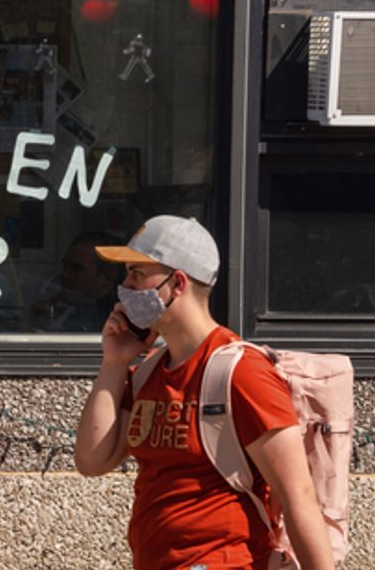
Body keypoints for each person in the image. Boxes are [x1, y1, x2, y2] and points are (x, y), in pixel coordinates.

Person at [72, 215, 334, 569]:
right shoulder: (148, 370)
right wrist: (114, 363)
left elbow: (297, 495)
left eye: (136, 274)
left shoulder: (242, 372)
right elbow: (92, 461)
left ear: (176, 283)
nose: (125, 287)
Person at [29, 232, 120, 332]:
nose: (65, 274)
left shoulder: (111, 321)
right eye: (65, 266)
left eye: (77, 269)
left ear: (106, 278)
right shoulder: (70, 307)